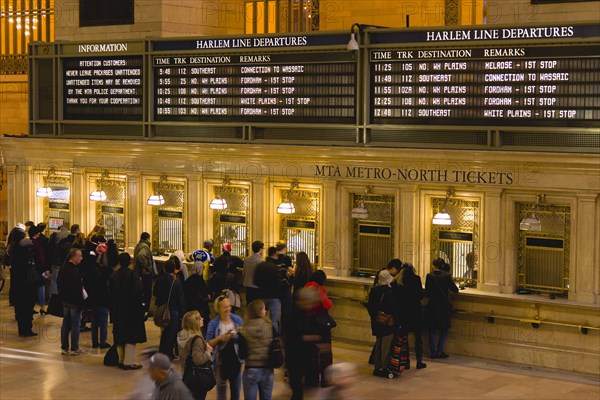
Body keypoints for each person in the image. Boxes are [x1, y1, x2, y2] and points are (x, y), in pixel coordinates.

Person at [108, 252, 147, 369]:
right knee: (131, 336)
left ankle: (121, 359)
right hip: (131, 310)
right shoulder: (133, 275)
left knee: (120, 335)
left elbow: (110, 294)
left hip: (118, 310)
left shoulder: (113, 276)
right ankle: (128, 362)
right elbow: (139, 292)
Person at [206, 296, 244, 400]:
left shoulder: (237, 320)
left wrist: (235, 336)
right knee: (221, 393)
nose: (228, 309)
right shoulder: (213, 324)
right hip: (220, 362)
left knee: (236, 391)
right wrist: (220, 338)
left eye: (229, 306)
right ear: (218, 309)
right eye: (224, 307)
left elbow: (244, 338)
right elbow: (208, 343)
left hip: (236, 360)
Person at [393, 263, 427, 369]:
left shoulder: (397, 280)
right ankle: (419, 361)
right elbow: (420, 295)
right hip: (415, 312)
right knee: (418, 338)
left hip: (403, 313)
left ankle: (406, 361)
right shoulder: (416, 279)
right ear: (413, 269)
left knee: (404, 338)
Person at [304, 270, 334, 387]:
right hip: (320, 325)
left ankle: (311, 379)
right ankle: (326, 380)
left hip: (308, 324)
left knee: (311, 353)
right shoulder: (319, 289)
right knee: (324, 353)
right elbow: (327, 304)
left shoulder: (306, 287)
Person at [425, 258, 459, 359]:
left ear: (433, 265)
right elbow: (455, 290)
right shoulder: (447, 276)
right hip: (443, 306)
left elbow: (427, 291)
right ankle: (440, 351)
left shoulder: (429, 276)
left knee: (431, 329)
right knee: (444, 329)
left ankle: (433, 352)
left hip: (432, 305)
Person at [239, 300, 274, 400]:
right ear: (260, 311)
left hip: (251, 369)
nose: (265, 311)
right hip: (267, 369)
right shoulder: (270, 327)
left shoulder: (243, 329)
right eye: (263, 309)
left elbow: (242, 354)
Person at [8, 225, 38, 336]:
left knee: (20, 307)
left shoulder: (13, 247)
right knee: (27, 306)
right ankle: (27, 329)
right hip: (26, 281)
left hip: (17, 281)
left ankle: (22, 329)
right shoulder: (25, 247)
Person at [154, 258, 186, 359]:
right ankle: (168, 354)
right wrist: (183, 313)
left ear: (164, 269)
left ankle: (162, 351)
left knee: (164, 333)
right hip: (174, 310)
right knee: (171, 334)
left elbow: (155, 293)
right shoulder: (175, 281)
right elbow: (180, 298)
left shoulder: (159, 281)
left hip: (162, 309)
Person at [367, 270, 397, 377]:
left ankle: (377, 367)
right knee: (386, 346)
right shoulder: (390, 292)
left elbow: (370, 306)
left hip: (376, 321)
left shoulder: (374, 290)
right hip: (387, 323)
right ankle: (385, 367)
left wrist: (375, 317)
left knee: (378, 344)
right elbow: (393, 308)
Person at [178, 310, 213, 400]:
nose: (202, 318)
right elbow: (198, 360)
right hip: (197, 379)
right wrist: (208, 352)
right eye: (199, 318)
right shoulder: (196, 340)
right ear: (195, 323)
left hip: (186, 374)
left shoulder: (181, 335)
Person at [57, 248, 86, 354]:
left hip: (65, 300)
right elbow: (77, 289)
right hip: (74, 302)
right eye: (80, 256)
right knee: (75, 324)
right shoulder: (74, 271)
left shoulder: (63, 268)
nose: (81, 258)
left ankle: (64, 347)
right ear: (74, 257)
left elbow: (58, 283)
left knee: (66, 323)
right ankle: (75, 348)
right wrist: (81, 304)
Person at [89, 242, 112, 349]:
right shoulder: (108, 272)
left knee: (94, 322)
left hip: (94, 298)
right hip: (104, 299)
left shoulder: (92, 270)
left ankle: (94, 342)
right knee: (103, 322)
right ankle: (103, 342)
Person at [254, 250, 282, 336]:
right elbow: (279, 283)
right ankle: (275, 340)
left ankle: (261, 337)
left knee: (260, 319)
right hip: (274, 296)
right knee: (274, 321)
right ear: (274, 254)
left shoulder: (259, 266)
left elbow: (255, 281)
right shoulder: (275, 267)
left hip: (261, 295)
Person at [183, 261, 211, 336]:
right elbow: (204, 292)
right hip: (200, 308)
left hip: (190, 307)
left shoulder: (189, 280)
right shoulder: (199, 280)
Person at [134, 232, 154, 316]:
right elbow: (141, 256)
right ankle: (145, 311)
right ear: (147, 238)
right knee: (147, 293)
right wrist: (146, 268)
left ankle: (141, 309)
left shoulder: (138, 245)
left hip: (139, 273)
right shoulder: (145, 247)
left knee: (141, 292)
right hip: (145, 274)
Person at [243, 240, 264, 305]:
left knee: (249, 305)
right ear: (260, 249)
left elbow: (243, 273)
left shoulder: (246, 259)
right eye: (263, 248)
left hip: (248, 286)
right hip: (256, 287)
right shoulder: (260, 261)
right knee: (256, 306)